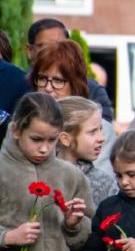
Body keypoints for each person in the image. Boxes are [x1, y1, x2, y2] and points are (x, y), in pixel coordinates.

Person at [0, 92, 94, 251]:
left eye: (52, 140)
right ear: (16, 130)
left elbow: (85, 234)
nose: (44, 148)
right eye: (36, 139)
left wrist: (73, 225)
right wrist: (7, 237)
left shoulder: (71, 175)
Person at [30, 40, 116, 176]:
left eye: (58, 81)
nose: (47, 88)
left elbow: (101, 184)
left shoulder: (100, 129)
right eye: (42, 78)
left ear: (76, 84)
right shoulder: (24, 124)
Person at [26, 18, 114, 122]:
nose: (48, 88)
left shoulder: (93, 90)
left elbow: (104, 128)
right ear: (30, 51)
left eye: (58, 81)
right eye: (45, 46)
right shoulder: (19, 86)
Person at [58, 96, 118, 206]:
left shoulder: (103, 184)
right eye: (92, 132)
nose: (101, 138)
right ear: (65, 139)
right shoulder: (40, 175)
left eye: (100, 129)